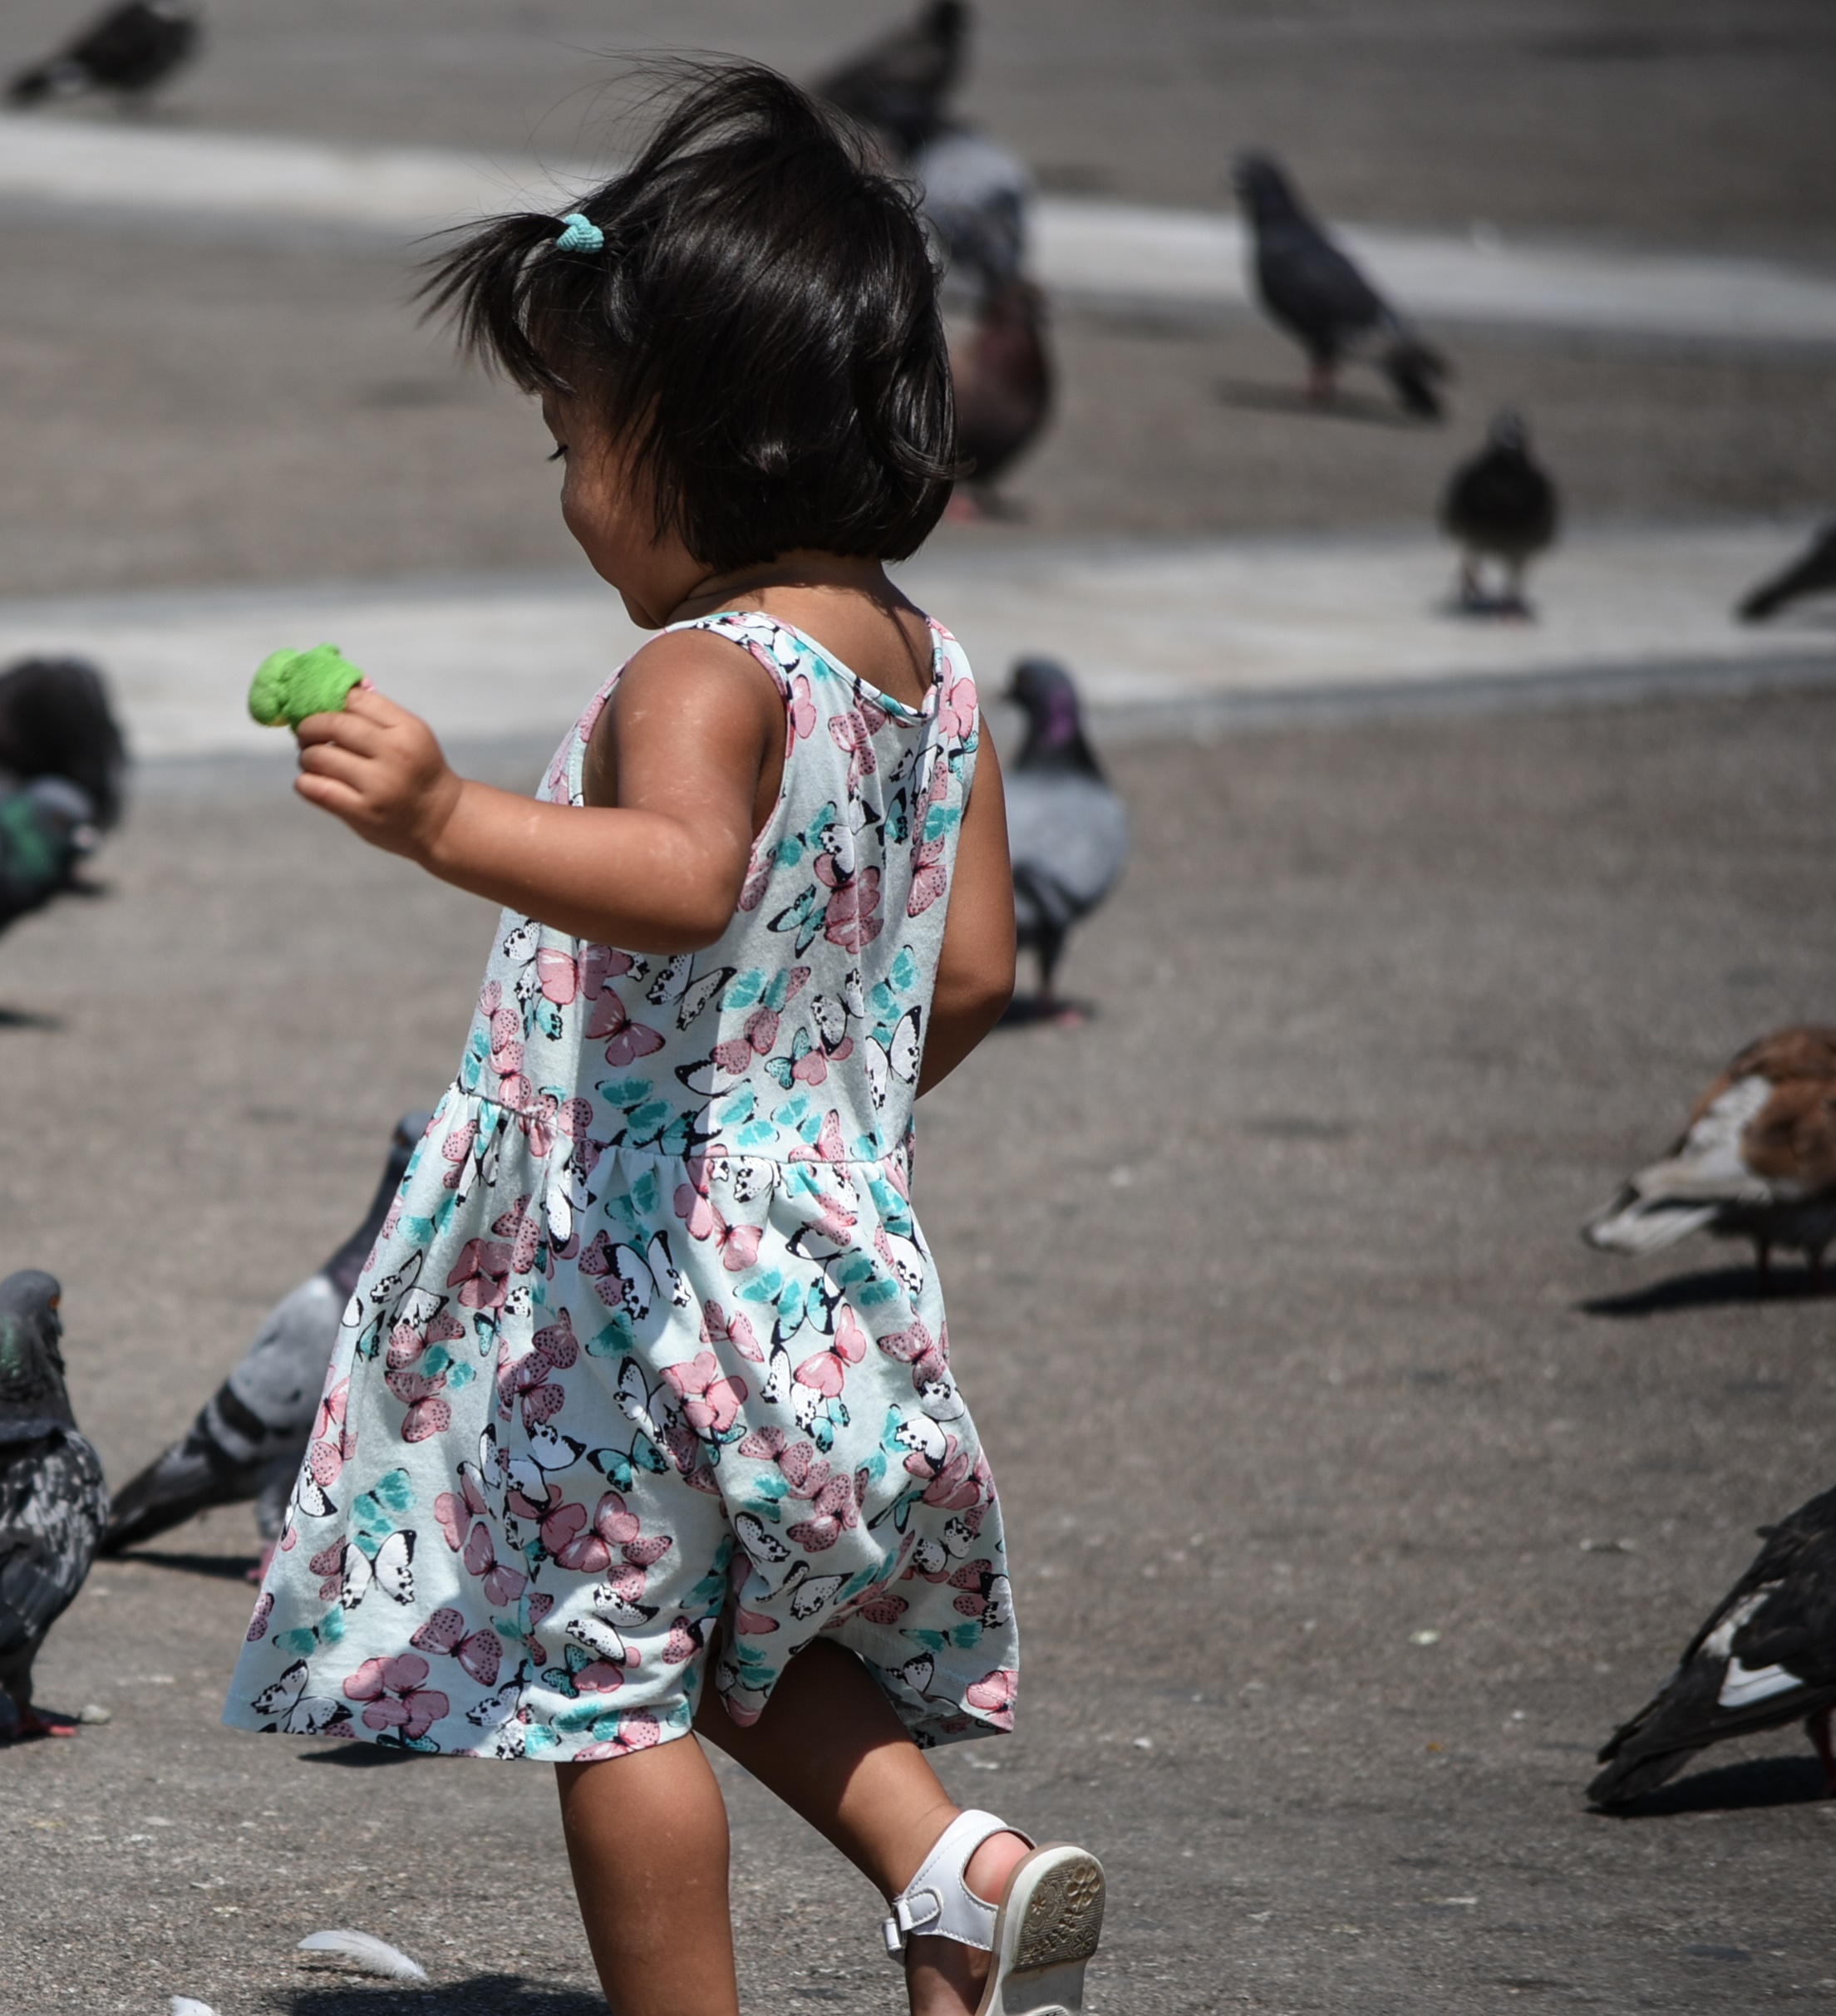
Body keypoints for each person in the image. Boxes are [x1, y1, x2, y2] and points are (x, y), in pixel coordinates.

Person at [219, 62, 1102, 2016]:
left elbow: (683, 873)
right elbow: (962, 975)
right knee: (728, 1626)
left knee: (602, 1692)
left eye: (567, 436)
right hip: (821, 1242)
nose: (559, 488)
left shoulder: (697, 668)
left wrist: (447, 820)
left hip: (649, 1271)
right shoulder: (924, 665)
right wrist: (813, 1130)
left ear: (694, 438)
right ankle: (949, 1869)